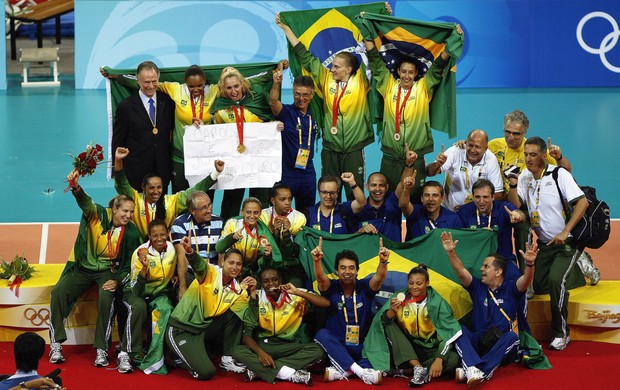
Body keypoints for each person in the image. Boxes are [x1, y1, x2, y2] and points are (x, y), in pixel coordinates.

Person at [276, 11, 382, 201]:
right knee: (329, 194)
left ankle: (353, 229)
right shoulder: (326, 79)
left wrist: (373, 20)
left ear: (348, 69)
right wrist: (285, 29)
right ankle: (330, 229)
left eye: (336, 67)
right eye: (332, 66)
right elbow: (305, 56)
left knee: (353, 194)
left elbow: (373, 55)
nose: (331, 69)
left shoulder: (361, 81)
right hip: (330, 148)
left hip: (354, 149)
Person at [49, 171, 141, 367]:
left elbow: (128, 266)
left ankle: (101, 349)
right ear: (114, 209)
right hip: (83, 268)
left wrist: (117, 280)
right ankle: (56, 343)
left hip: (107, 271)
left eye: (131, 212)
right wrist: (75, 187)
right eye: (125, 211)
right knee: (58, 291)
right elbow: (85, 201)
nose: (128, 215)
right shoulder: (96, 214)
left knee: (107, 296)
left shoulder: (131, 232)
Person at [364, 25, 464, 200]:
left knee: (416, 202)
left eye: (411, 72)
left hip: (416, 154)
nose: (407, 76)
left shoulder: (423, 88)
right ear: (398, 72)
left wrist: (454, 38)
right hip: (390, 156)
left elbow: (438, 65)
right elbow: (375, 61)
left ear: (417, 73)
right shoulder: (389, 85)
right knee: (387, 202)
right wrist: (366, 29)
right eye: (403, 72)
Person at [507, 136, 587, 350]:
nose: (528, 159)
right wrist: (513, 185)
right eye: (526, 154)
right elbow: (519, 205)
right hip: (544, 245)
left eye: (533, 155)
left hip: (566, 244)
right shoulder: (524, 176)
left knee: (554, 282)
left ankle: (561, 333)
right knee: (540, 285)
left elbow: (583, 202)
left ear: (544, 155)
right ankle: (580, 270)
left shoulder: (559, 174)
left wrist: (565, 231)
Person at [440, 231, 539, 386]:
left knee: (512, 338)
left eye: (486, 266)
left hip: (501, 344)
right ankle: (473, 369)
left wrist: (530, 264)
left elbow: (526, 279)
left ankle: (475, 369)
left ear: (498, 271)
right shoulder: (477, 287)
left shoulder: (511, 289)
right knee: (459, 329)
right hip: (479, 341)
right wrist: (450, 252)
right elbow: (460, 271)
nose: (481, 269)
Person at [165, 238, 255, 380]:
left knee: (235, 314)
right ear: (222, 262)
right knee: (206, 372)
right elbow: (200, 266)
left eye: (239, 264)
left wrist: (254, 295)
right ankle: (177, 354)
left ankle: (227, 358)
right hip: (181, 330)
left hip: (203, 329)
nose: (235, 267)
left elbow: (249, 318)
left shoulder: (239, 290)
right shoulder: (210, 272)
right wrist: (190, 253)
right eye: (231, 262)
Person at [363, 265, 461, 387]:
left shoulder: (437, 303)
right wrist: (392, 311)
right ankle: (418, 368)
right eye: (411, 283)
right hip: (406, 349)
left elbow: (448, 333)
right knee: (389, 325)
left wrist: (439, 359)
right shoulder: (399, 298)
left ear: (427, 283)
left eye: (419, 283)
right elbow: (382, 323)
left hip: (430, 348)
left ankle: (406, 371)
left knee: (453, 359)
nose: (414, 287)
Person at [211, 63, 286, 221]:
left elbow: (269, 115)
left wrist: (275, 124)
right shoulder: (220, 107)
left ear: (242, 84)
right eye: (229, 88)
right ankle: (228, 231)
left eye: (236, 86)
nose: (233, 91)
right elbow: (216, 133)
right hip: (235, 162)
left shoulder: (256, 97)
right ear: (223, 89)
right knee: (231, 200)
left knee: (261, 198)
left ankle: (261, 234)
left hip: (258, 160)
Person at [231, 267, 328, 385]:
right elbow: (247, 337)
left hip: (288, 346)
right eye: (266, 281)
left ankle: (260, 370)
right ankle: (287, 374)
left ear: (280, 280)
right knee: (237, 351)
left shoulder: (294, 294)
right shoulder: (255, 298)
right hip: (264, 345)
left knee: (318, 351)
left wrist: (298, 292)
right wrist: (261, 354)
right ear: (261, 283)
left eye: (275, 280)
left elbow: (325, 303)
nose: (271, 284)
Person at [311, 237, 388, 385]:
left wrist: (383, 262)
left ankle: (344, 371)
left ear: (357, 271)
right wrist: (316, 261)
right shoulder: (331, 287)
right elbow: (321, 278)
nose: (347, 271)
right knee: (321, 334)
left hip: (361, 346)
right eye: (343, 268)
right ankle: (361, 372)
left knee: (382, 350)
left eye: (351, 268)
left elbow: (379, 278)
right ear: (337, 271)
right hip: (338, 345)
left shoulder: (364, 287)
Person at [113, 146, 224, 240]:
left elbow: (195, 191)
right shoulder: (135, 199)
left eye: (159, 187)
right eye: (151, 188)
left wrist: (216, 173)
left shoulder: (172, 202)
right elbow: (122, 183)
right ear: (143, 187)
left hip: (165, 250)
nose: (156, 192)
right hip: (139, 248)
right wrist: (118, 160)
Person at [117, 219, 177, 375]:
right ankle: (124, 353)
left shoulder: (171, 249)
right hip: (136, 292)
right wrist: (144, 269)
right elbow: (136, 288)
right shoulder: (140, 254)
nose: (159, 238)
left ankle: (155, 357)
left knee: (166, 308)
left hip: (159, 293)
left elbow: (177, 262)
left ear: (167, 234)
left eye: (163, 234)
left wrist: (176, 274)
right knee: (139, 307)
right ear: (149, 236)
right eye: (155, 235)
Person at [112, 61, 175, 191]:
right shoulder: (126, 107)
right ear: (138, 81)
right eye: (146, 82)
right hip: (136, 172)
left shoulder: (168, 102)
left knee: (160, 210)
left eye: (154, 81)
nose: (151, 86)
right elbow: (118, 140)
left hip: (162, 170)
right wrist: (117, 171)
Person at [270, 72, 318, 214]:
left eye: (305, 95)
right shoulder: (286, 112)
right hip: (287, 174)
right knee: (281, 213)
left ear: (312, 94)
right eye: (297, 94)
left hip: (307, 173)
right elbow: (273, 102)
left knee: (306, 214)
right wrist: (277, 83)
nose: (301, 98)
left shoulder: (316, 114)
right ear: (292, 92)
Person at [427, 129, 503, 212]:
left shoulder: (491, 160)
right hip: (448, 211)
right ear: (466, 143)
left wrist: (467, 209)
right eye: (470, 145)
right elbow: (430, 172)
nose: (473, 150)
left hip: (475, 213)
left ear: (485, 148)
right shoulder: (455, 151)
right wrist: (437, 164)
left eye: (477, 147)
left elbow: (497, 194)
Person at [171, 191, 224, 299]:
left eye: (209, 205)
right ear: (192, 210)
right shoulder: (180, 224)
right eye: (204, 208)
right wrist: (183, 287)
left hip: (213, 273)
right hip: (191, 274)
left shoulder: (220, 222)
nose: (209, 210)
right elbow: (182, 258)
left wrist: (220, 283)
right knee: (185, 302)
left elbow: (222, 256)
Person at [457, 179, 525, 263]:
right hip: (474, 261)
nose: (481, 201)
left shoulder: (503, 208)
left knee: (515, 275)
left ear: (493, 197)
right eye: (477, 197)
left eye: (485, 197)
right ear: (473, 197)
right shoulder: (464, 211)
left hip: (503, 260)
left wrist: (517, 215)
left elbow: (520, 214)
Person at [216, 197, 281, 279]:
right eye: (248, 212)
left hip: (251, 270)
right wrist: (232, 238)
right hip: (232, 266)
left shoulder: (263, 232)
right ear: (242, 212)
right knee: (222, 255)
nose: (252, 216)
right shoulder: (232, 223)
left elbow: (274, 260)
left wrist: (267, 256)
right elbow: (219, 248)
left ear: (260, 213)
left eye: (256, 212)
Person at [400, 175, 463, 240]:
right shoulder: (415, 213)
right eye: (427, 195)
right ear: (422, 198)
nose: (430, 199)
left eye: (435, 195)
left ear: (442, 198)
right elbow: (404, 205)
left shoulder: (453, 219)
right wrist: (407, 189)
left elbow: (459, 243)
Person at [353, 171, 404, 243]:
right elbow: (351, 240)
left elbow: (403, 184)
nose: (377, 189)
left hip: (393, 253)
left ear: (387, 187)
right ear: (367, 186)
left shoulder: (393, 203)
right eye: (373, 185)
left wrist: (409, 165)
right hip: (369, 254)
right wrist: (361, 231)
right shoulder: (359, 210)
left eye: (381, 185)